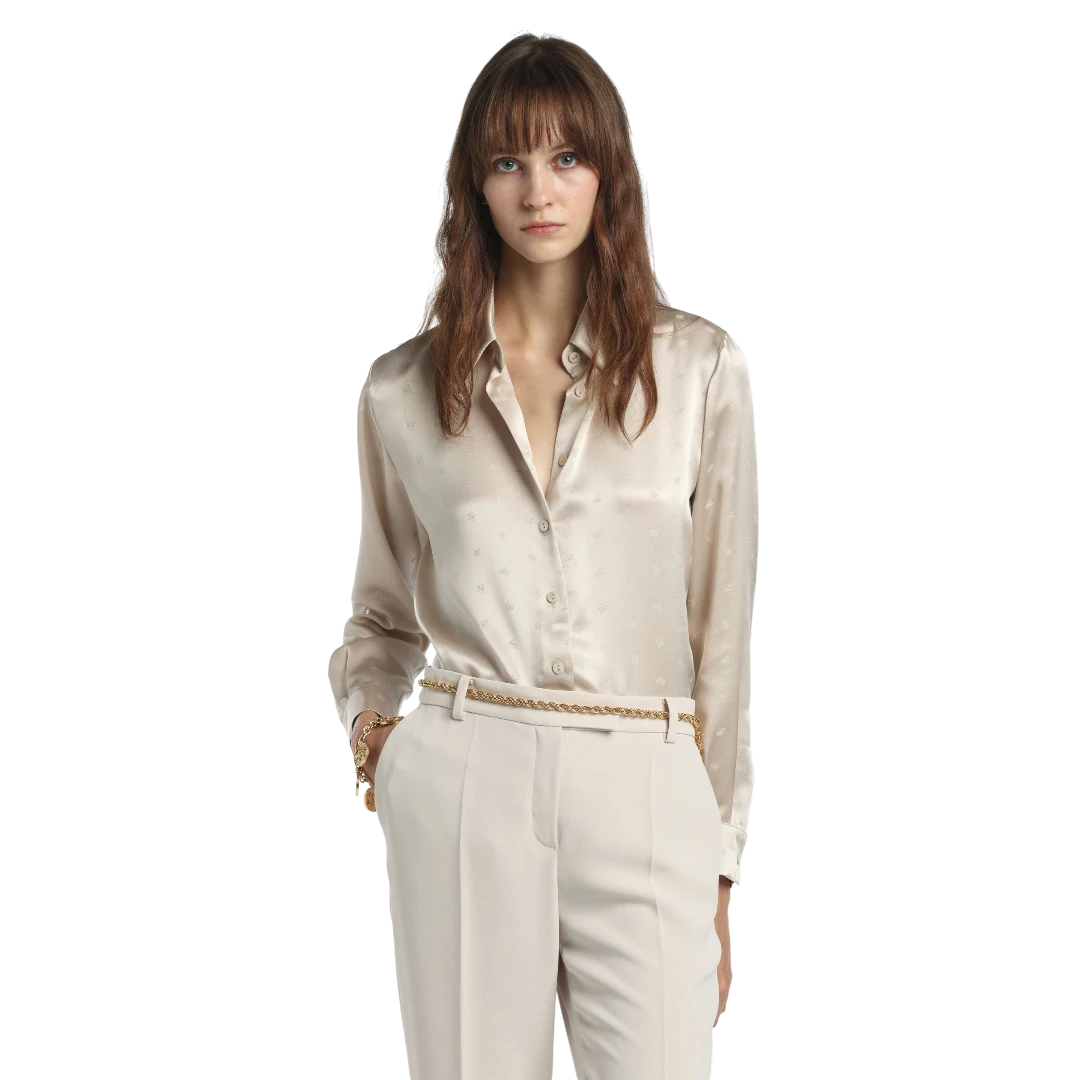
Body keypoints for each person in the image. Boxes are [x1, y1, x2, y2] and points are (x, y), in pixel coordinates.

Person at [326, 31, 758, 1080]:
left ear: (608, 171)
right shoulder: (402, 392)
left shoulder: (699, 373)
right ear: (474, 184)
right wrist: (379, 743)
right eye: (508, 160)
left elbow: (721, 634)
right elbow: (380, 614)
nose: (538, 190)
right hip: (469, 770)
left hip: (644, 772)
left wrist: (721, 861)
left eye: (567, 156)